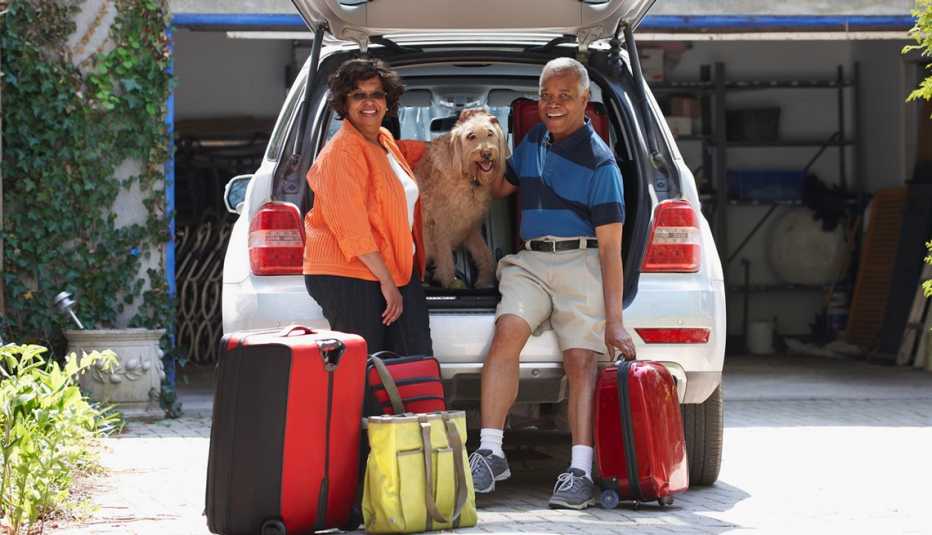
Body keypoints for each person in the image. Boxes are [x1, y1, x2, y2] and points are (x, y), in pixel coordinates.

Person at [468, 57, 637, 510]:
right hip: (531, 261)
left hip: (582, 261)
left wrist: (615, 323)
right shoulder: (533, 140)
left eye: (564, 96)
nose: (553, 104)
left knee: (582, 361)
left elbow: (609, 251)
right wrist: (480, 156)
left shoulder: (603, 167)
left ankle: (579, 471)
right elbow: (504, 187)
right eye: (546, 96)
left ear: (585, 100)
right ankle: (491, 451)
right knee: (505, 335)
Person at [303, 58, 432, 356]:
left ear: (388, 100)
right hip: (349, 272)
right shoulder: (341, 153)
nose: (369, 102)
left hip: (392, 268)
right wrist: (387, 283)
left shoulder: (383, 140)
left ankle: (412, 406)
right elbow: (353, 230)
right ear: (343, 103)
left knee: (413, 357)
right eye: (358, 95)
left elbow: (416, 158)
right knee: (364, 365)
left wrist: (458, 142)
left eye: (376, 94)